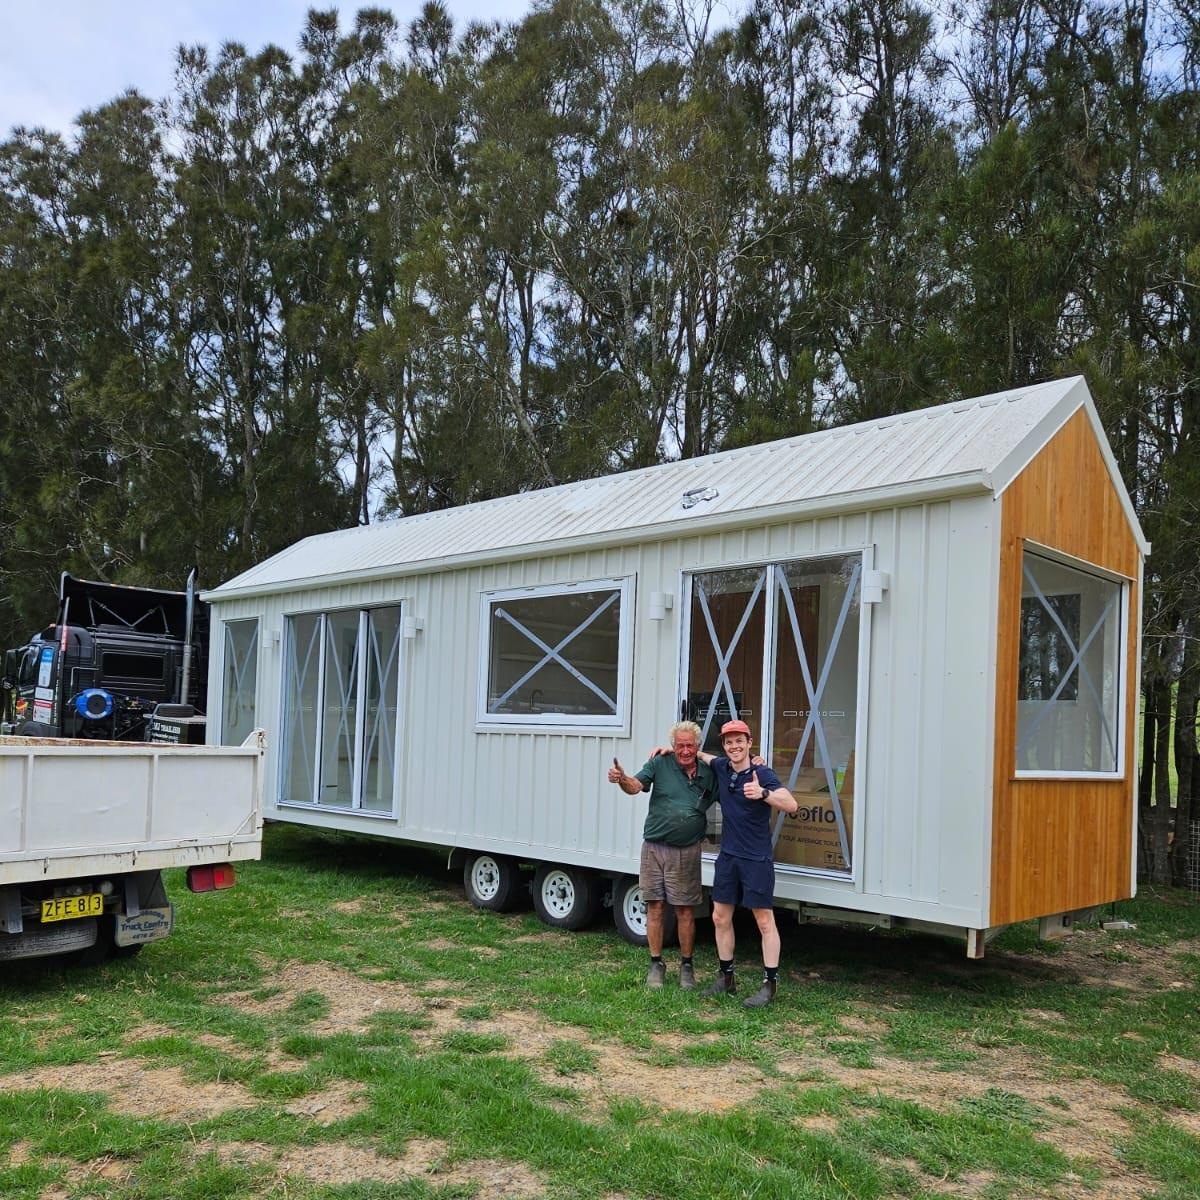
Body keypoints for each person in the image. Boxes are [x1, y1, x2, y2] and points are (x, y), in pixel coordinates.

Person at [607, 720, 716, 990]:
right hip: (654, 848)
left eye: (690, 745)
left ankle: (686, 966)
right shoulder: (659, 763)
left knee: (685, 911)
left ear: (698, 746)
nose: (685, 751)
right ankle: (656, 963)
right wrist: (622, 778)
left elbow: (735, 772)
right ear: (672, 746)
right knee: (654, 906)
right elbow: (635, 786)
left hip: (688, 850)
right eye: (680, 746)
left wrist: (757, 762)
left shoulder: (710, 771)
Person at [697, 718, 798, 1008]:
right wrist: (665, 750)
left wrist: (763, 794)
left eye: (739, 741)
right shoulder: (721, 767)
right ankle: (726, 978)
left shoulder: (761, 773)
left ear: (749, 743)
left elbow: (791, 804)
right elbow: (702, 755)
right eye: (729, 742)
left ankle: (770, 985)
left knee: (764, 921)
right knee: (719, 917)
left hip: (756, 858)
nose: (734, 746)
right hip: (728, 857)